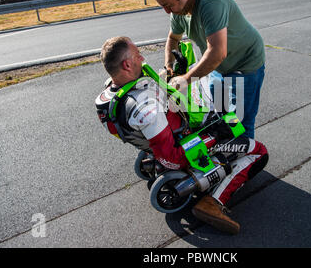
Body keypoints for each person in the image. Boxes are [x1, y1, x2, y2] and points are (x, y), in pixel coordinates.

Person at [95, 36, 268, 235]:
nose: (142, 58)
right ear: (126, 64)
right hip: (184, 141)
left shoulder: (110, 94)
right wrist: (212, 136)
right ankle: (212, 202)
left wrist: (178, 72)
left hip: (177, 123)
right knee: (258, 151)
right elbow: (172, 159)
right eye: (137, 55)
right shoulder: (145, 109)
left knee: (219, 94)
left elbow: (159, 94)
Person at [148, 0, 266, 139]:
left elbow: (217, 52)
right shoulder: (179, 10)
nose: (166, 11)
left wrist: (186, 80)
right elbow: (173, 38)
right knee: (222, 116)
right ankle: (229, 148)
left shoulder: (211, 2)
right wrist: (169, 67)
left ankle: (248, 157)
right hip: (218, 68)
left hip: (245, 64)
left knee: (240, 121)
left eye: (168, 5)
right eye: (162, 6)